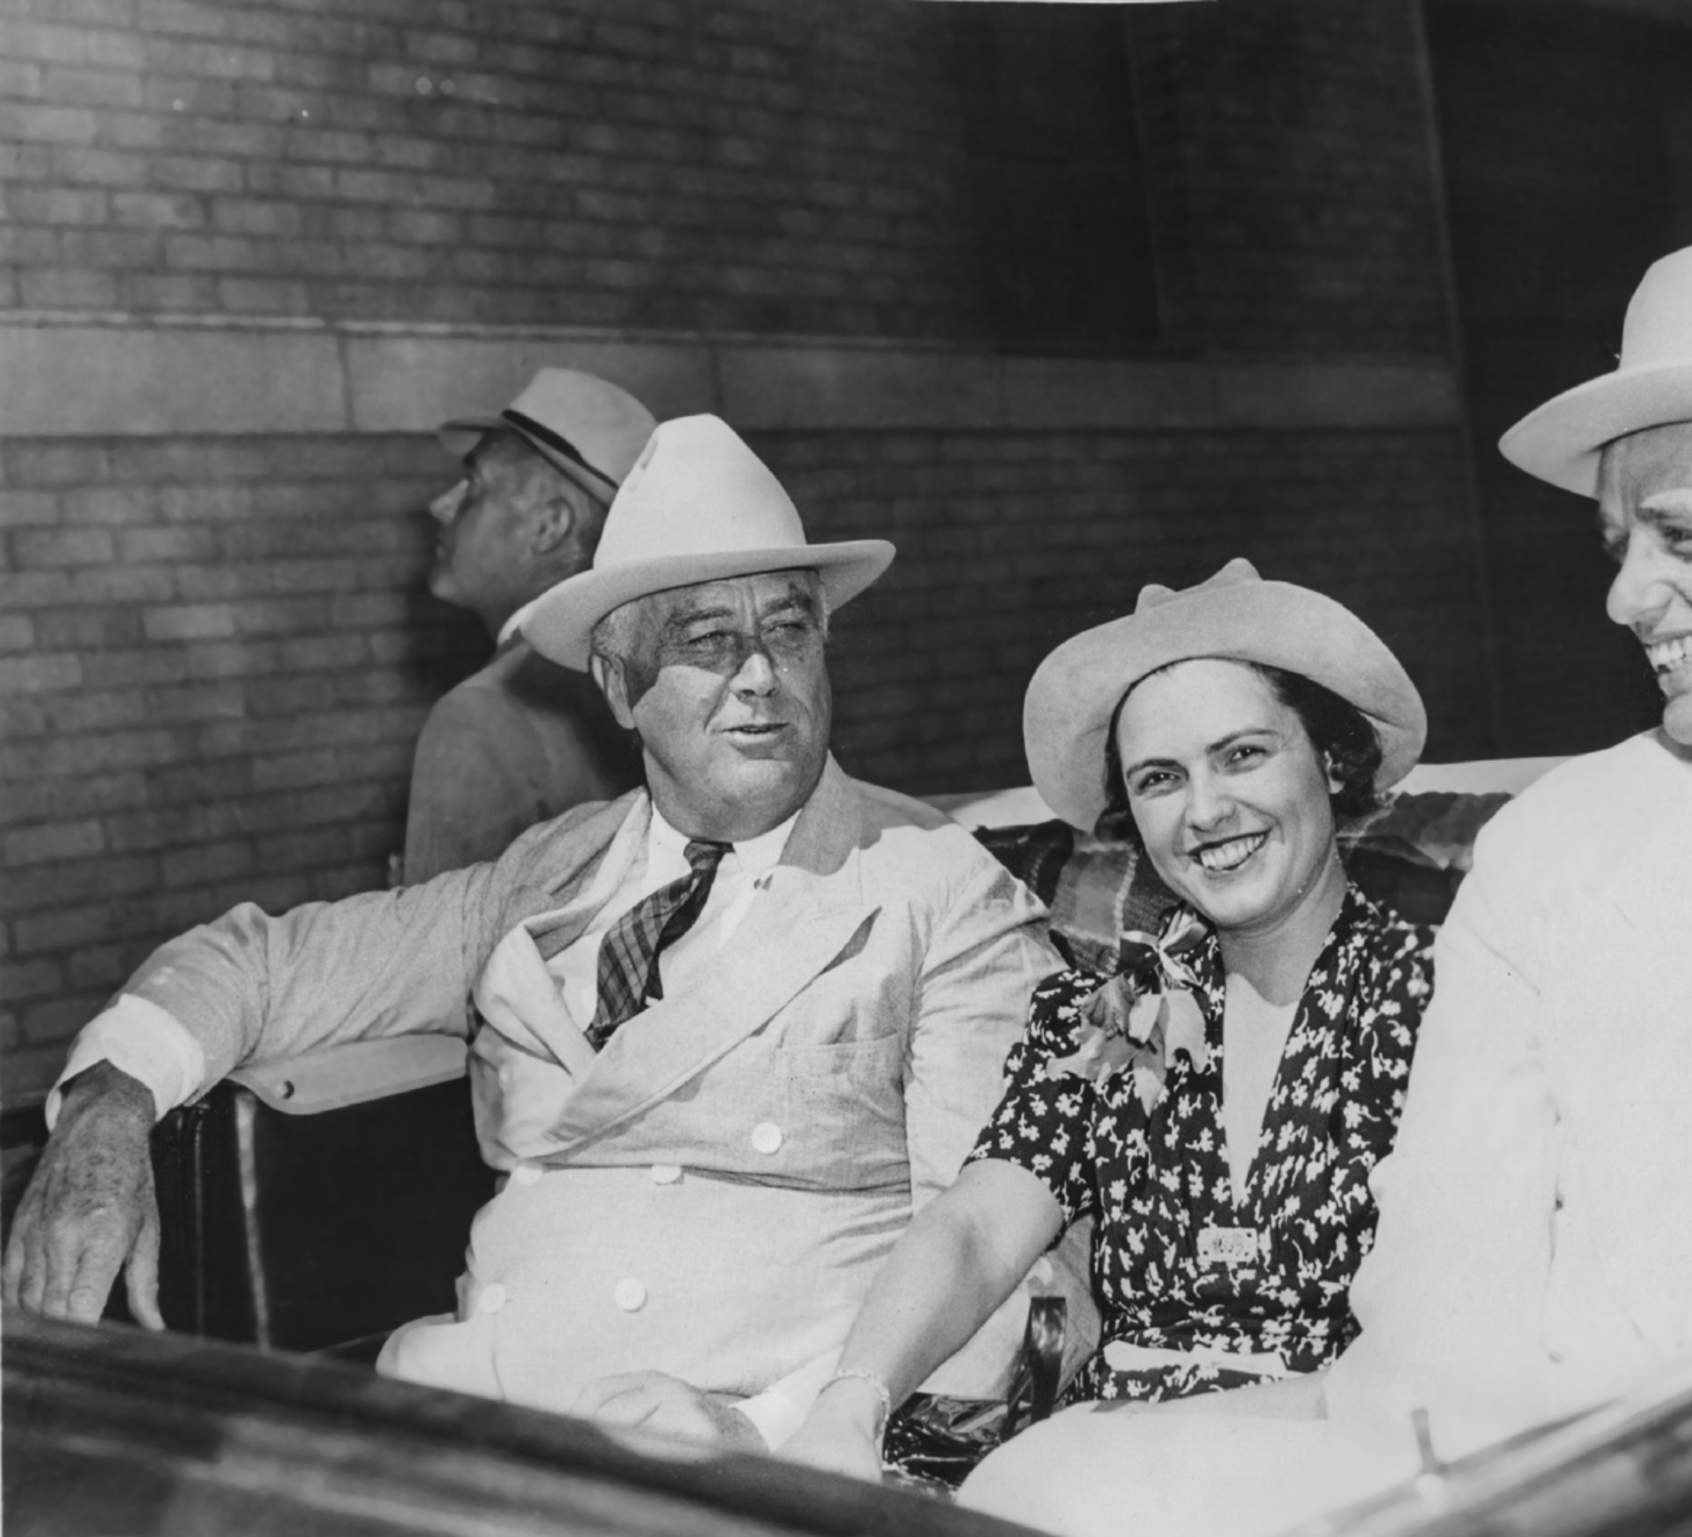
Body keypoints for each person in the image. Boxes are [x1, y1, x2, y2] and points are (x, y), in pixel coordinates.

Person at [954, 239, 1692, 1537]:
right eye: (1616, 543)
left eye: (1681, 539)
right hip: (1554, 1485)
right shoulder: (1564, 841)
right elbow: (1442, 1304)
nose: (1620, 595)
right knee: (1045, 1492)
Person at [3, 415, 1064, 1451]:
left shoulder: (940, 892)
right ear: (616, 684)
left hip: (734, 1464)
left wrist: (769, 1428)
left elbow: (997, 1268)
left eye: (788, 629)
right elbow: (256, 962)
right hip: (467, 1427)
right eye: (707, 640)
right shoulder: (539, 876)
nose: (759, 674)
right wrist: (107, 1108)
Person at [779, 560, 1434, 1477]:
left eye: (1242, 754)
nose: (1205, 811)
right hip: (1106, 1465)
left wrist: (1154, 1446)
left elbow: (1456, 1341)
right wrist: (851, 1403)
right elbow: (977, 1224)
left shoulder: (1432, 997)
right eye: (1160, 778)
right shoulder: (1104, 1014)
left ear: (1328, 756)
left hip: (1341, 1464)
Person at [402, 367, 652, 883]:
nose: (441, 506)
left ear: (549, 526)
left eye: (473, 484)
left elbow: (449, 960)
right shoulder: (642, 675)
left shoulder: (480, 718)